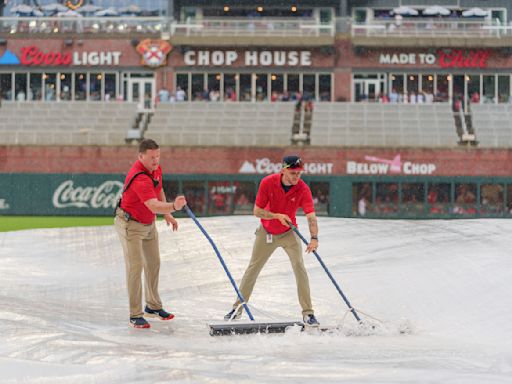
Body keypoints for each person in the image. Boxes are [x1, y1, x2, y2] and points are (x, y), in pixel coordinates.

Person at [224, 155, 320, 326]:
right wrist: (276, 216)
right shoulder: (267, 182)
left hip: (289, 232)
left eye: (299, 173)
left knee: (299, 268)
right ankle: (236, 309)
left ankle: (308, 313)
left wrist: (314, 238)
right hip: (267, 231)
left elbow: (311, 217)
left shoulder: (303, 189)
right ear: (283, 170)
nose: (296, 176)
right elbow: (257, 211)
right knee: (253, 268)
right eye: (293, 173)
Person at [114, 139, 187, 329]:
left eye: (158, 156)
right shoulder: (139, 177)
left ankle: (153, 306)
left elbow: (159, 189)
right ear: (140, 156)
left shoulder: (156, 169)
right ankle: (135, 314)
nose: (156, 161)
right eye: (152, 157)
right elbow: (153, 204)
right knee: (135, 267)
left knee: (154, 263)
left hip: (148, 223)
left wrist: (168, 214)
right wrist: (172, 206)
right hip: (130, 224)